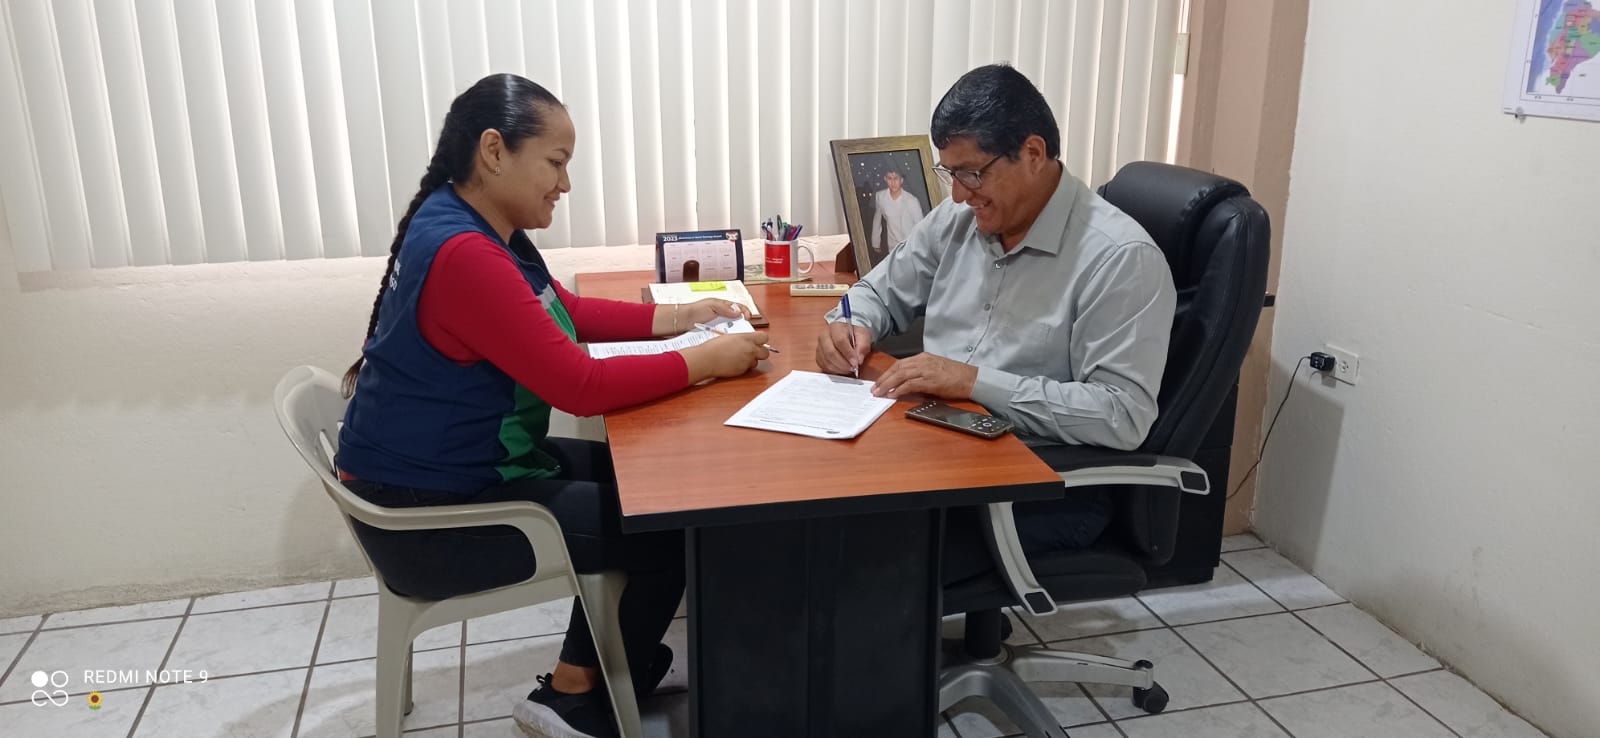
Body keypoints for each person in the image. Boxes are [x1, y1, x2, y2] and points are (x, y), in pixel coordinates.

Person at [335, 74, 769, 738]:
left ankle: (610, 666)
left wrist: (683, 317)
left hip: (454, 469)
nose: (565, 183)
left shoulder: (474, 222)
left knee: (650, 483)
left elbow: (559, 310)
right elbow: (578, 387)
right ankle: (571, 695)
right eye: (556, 162)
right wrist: (706, 360)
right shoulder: (464, 253)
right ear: (494, 151)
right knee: (667, 524)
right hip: (426, 517)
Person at [814, 64, 1177, 584]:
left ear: (1033, 153)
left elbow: (1121, 415)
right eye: (951, 174)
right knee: (805, 513)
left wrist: (972, 382)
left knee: (852, 562)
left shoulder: (1119, 258)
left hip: (1037, 484)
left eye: (972, 173)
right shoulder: (959, 220)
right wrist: (851, 324)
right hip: (939, 449)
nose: (959, 195)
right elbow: (876, 291)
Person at [868, 168, 927, 261]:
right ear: (885, 179)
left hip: (910, 245)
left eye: (896, 178)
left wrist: (922, 248)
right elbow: (877, 220)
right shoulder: (881, 197)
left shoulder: (911, 200)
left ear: (901, 180)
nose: (893, 182)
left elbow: (920, 225)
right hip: (893, 246)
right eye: (889, 178)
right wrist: (875, 242)